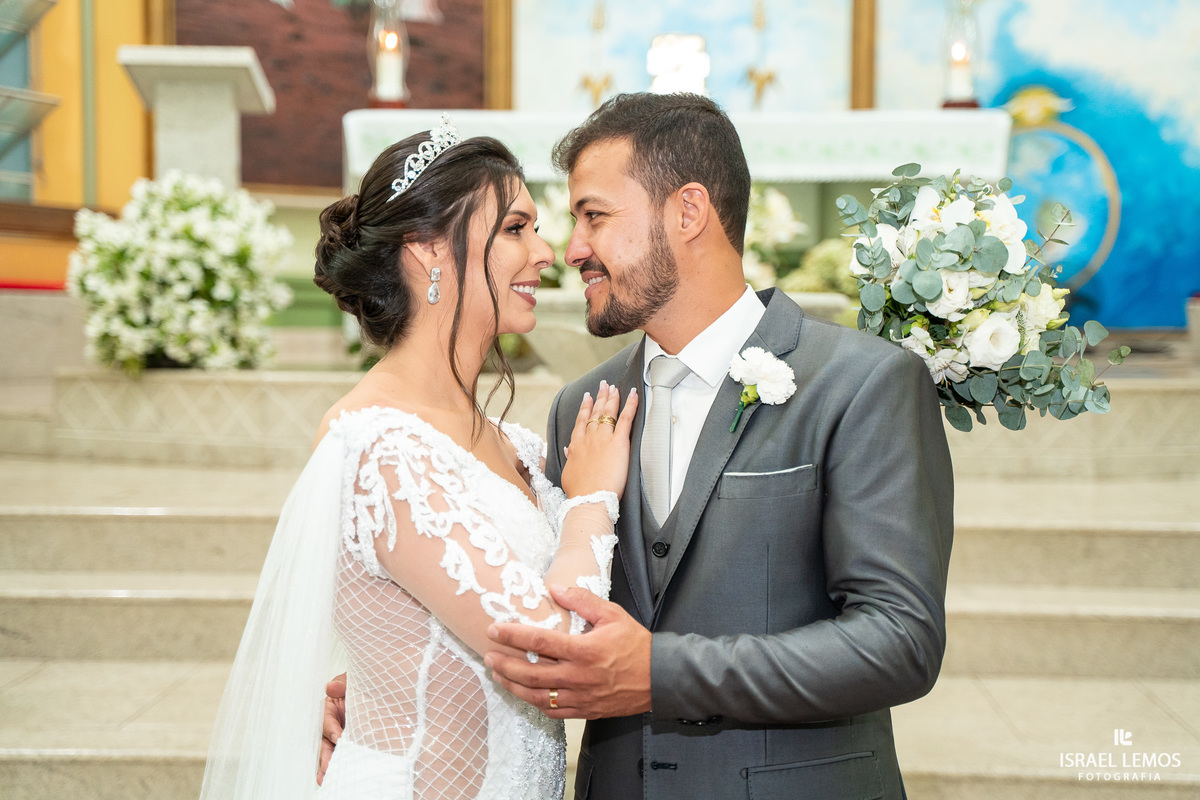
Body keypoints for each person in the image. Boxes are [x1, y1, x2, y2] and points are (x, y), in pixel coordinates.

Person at [323, 94, 953, 797]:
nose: (570, 251)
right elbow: (538, 599)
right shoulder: (582, 411)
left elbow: (900, 640)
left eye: (594, 216)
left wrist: (656, 671)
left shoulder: (862, 384)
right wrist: (406, 676)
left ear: (687, 213)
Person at [200, 116, 639, 800]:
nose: (547, 252)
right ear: (428, 248)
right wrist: (589, 500)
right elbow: (549, 647)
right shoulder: (379, 445)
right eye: (516, 229)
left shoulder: (515, 446)